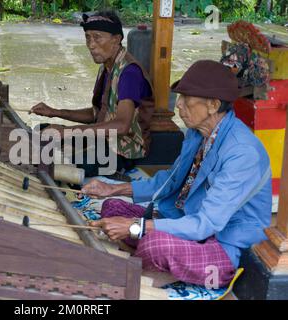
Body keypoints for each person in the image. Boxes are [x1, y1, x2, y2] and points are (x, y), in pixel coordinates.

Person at [82, 60, 272, 287]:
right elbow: (170, 181)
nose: (178, 105)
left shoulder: (243, 153)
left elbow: (205, 224)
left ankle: (165, 270)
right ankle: (163, 268)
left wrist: (136, 226)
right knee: (112, 209)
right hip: (183, 221)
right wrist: (113, 188)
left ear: (212, 104)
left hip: (222, 244)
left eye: (185, 99)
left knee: (153, 245)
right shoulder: (197, 133)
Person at [30, 10, 154, 177]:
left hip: (124, 150)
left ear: (116, 39)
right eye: (88, 37)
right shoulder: (107, 66)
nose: (91, 44)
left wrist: (66, 132)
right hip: (103, 139)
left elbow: (122, 126)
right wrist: (54, 112)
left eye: (97, 37)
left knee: (71, 162)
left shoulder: (129, 73)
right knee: (42, 131)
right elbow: (97, 113)